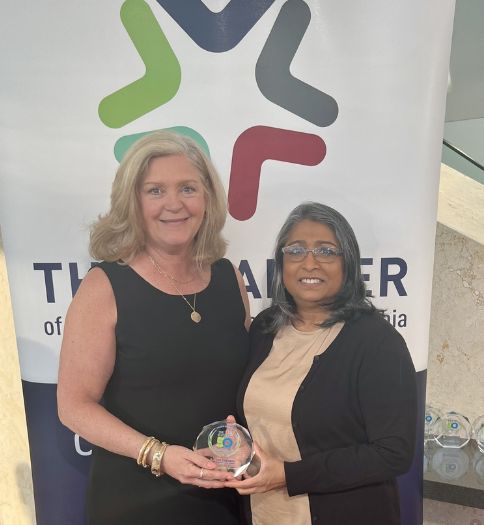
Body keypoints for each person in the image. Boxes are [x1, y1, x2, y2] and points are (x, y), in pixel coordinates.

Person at [57, 130, 251, 525]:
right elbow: (74, 406)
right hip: (137, 501)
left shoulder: (229, 277)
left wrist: (240, 435)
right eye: (156, 191)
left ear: (208, 198)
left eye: (188, 188)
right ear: (133, 201)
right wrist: (160, 455)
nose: (174, 204)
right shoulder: (105, 286)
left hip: (221, 496)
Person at [226, 202, 417, 525]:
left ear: (349, 263)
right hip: (264, 513)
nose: (309, 263)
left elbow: (392, 453)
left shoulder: (377, 343)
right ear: (282, 261)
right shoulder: (265, 327)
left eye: (326, 251)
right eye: (296, 250)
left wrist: (289, 475)